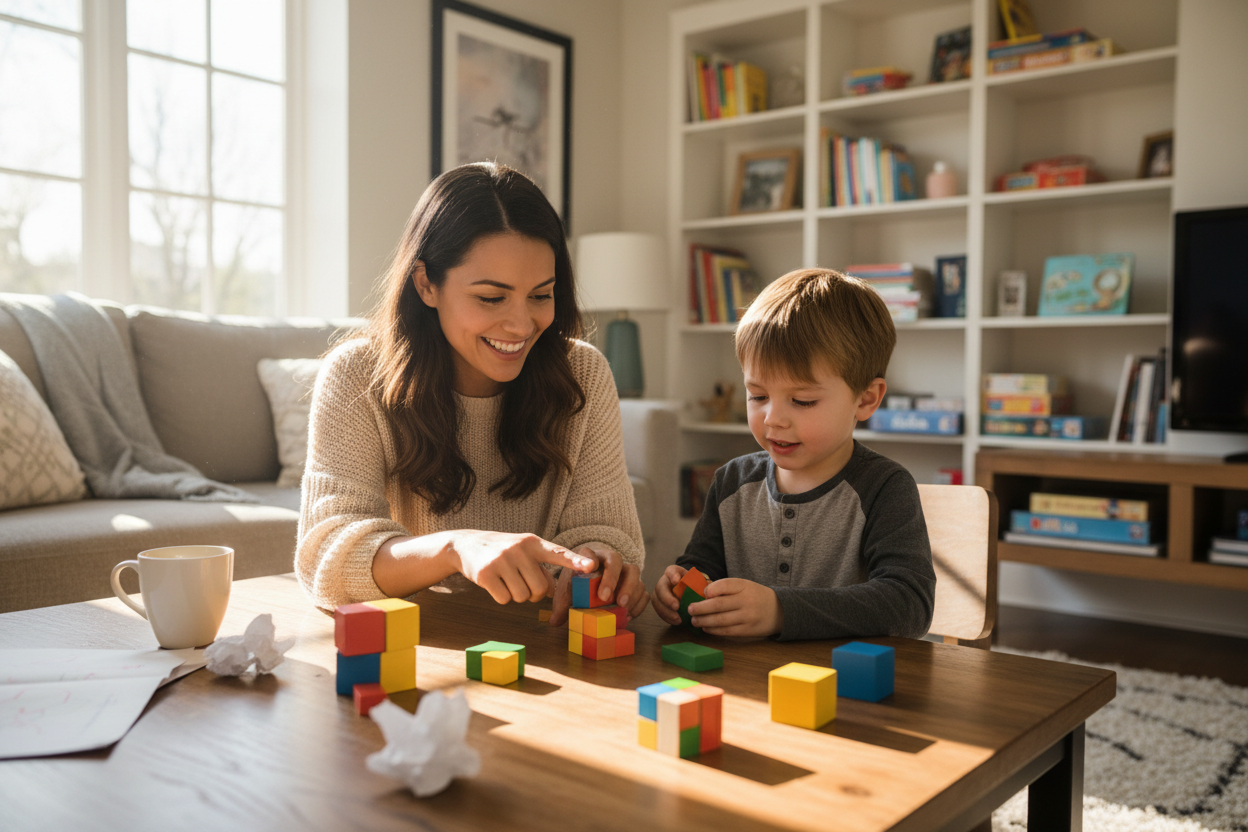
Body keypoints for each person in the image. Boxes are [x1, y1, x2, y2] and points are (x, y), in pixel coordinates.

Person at [296, 162, 648, 624]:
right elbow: (328, 563)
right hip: (419, 645)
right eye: (491, 297)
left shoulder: (583, 374)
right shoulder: (356, 376)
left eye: (541, 295)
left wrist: (602, 562)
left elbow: (610, 535)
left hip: (543, 645)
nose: (522, 325)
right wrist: (454, 547)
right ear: (426, 284)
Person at [654, 269, 935, 640]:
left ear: (865, 399)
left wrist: (779, 611)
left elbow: (908, 604)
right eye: (757, 396)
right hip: (746, 682)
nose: (773, 419)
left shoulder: (885, 488)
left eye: (802, 400)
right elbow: (703, 567)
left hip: (844, 684)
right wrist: (682, 586)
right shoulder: (731, 483)